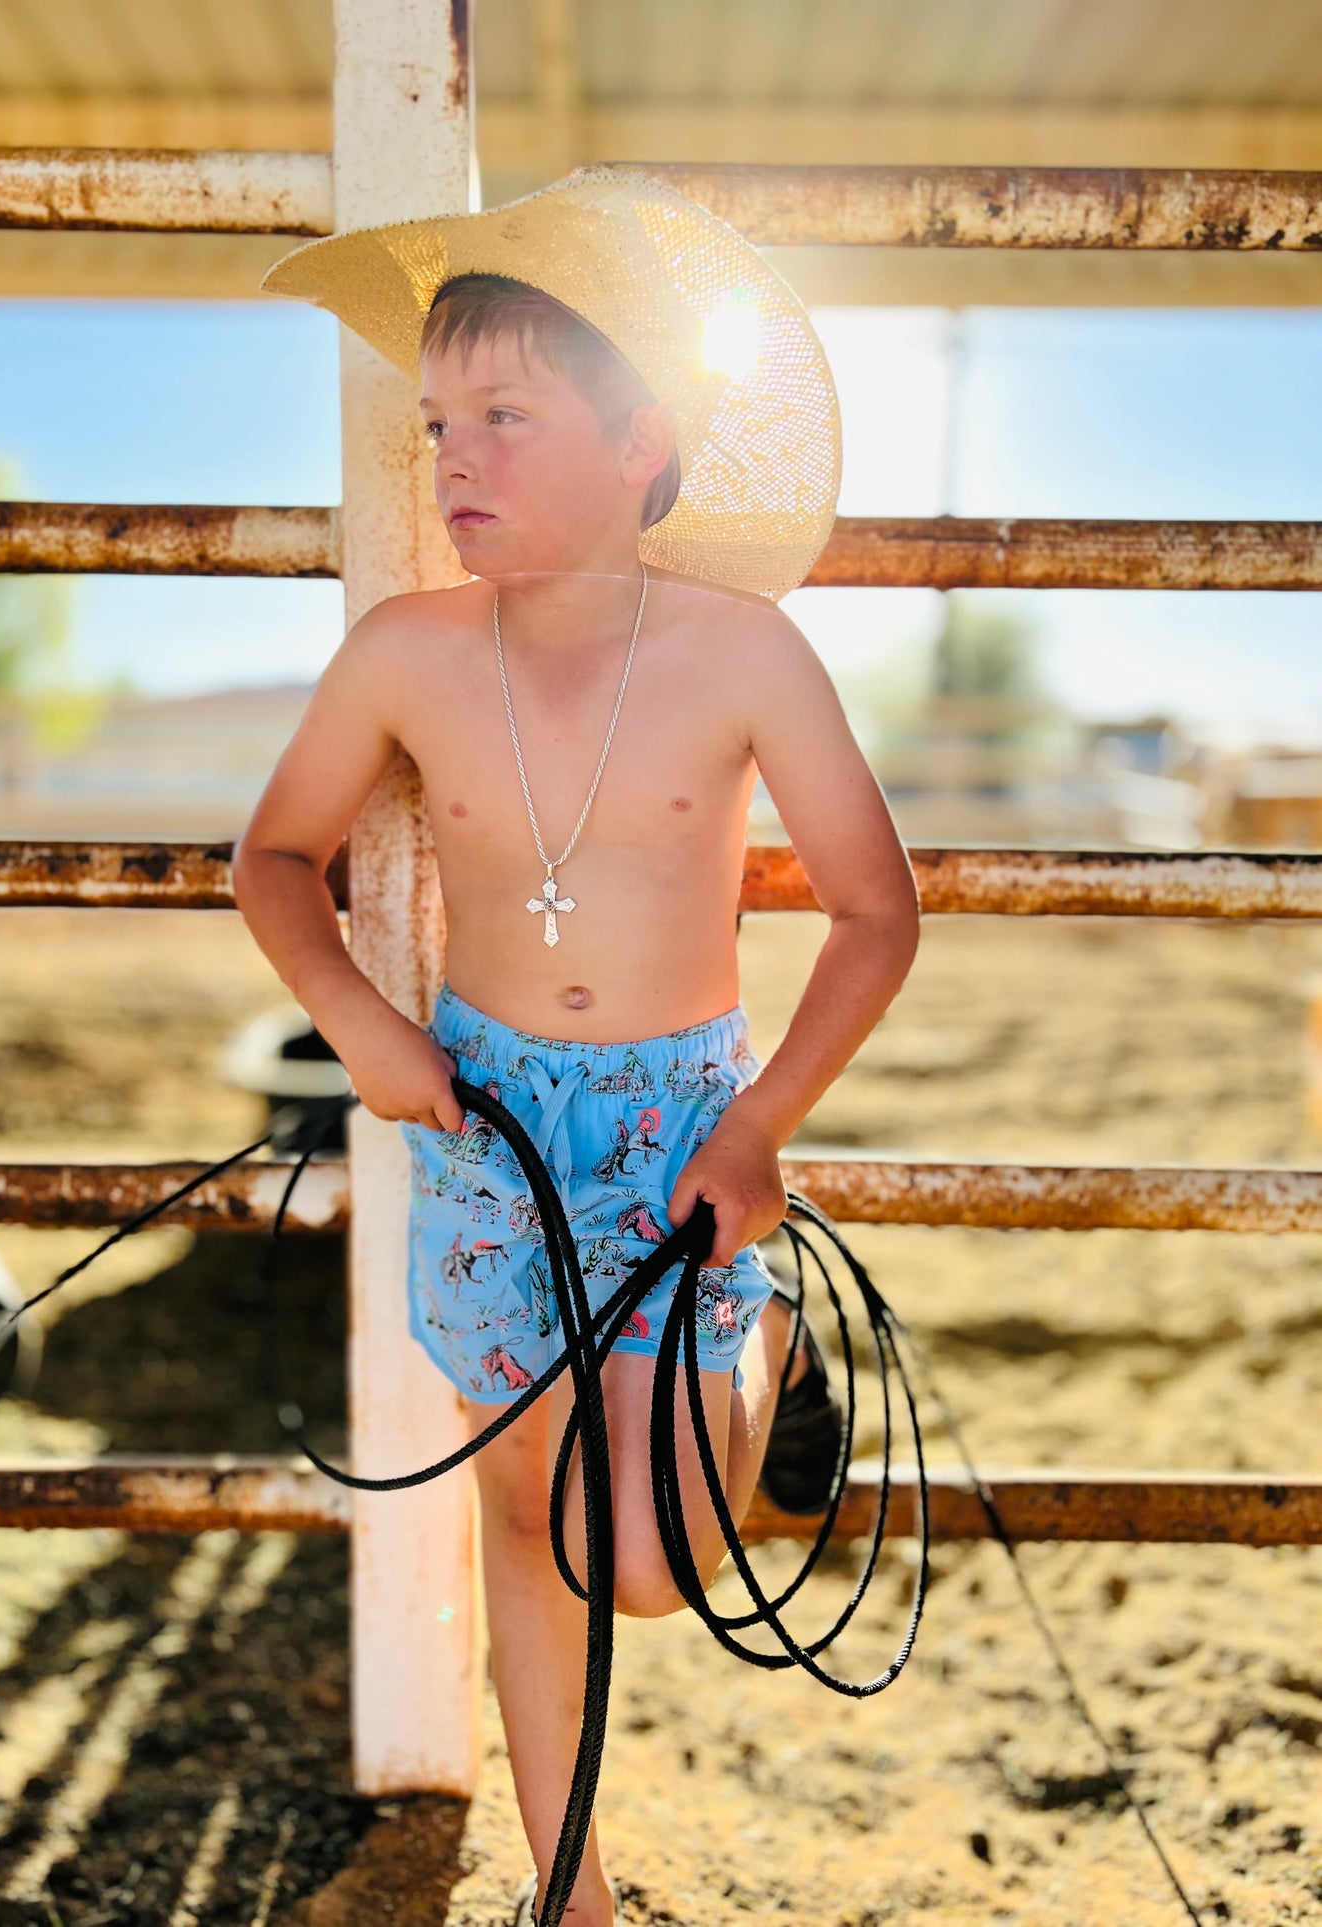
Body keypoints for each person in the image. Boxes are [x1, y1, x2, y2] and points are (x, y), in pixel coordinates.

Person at [234, 166, 921, 1927]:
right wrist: (367, 1030)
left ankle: (763, 1367)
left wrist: (763, 1122)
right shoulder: (406, 651)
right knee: (527, 1503)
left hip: (688, 1123)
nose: (451, 455)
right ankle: (571, 1886)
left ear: (638, 441)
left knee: (650, 1558)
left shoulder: (742, 655)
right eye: (439, 418)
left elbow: (870, 909)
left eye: (504, 418)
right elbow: (274, 858)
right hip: (481, 1120)